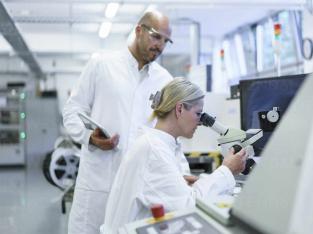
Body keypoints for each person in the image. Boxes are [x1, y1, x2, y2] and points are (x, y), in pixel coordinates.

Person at [62, 10, 175, 234]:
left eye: (165, 41)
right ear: (139, 31)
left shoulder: (164, 81)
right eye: (155, 36)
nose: (160, 46)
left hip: (139, 188)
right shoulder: (102, 65)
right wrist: (89, 138)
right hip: (98, 183)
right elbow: (72, 110)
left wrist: (178, 172)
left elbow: (169, 136)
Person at [101, 77, 247, 233]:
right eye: (198, 114)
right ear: (179, 109)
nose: (200, 122)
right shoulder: (154, 150)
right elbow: (189, 206)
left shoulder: (162, 144)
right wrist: (227, 170)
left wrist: (179, 182)